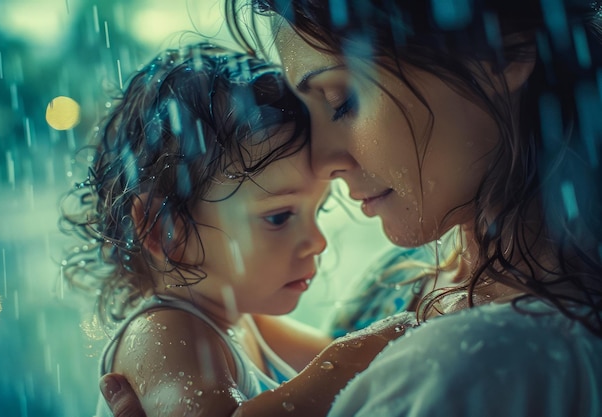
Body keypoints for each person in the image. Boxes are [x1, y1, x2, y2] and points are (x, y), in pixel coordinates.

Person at [100, 0, 602, 415]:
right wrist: (355, 352)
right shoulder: (396, 282)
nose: (320, 159)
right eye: (277, 216)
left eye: (341, 100)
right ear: (164, 231)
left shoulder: (483, 365)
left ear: (495, 46)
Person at [62, 42, 412, 417]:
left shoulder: (244, 322)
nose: (317, 241)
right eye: (279, 217)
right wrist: (346, 359)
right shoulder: (161, 333)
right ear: (165, 230)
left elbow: (360, 362)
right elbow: (342, 366)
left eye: (318, 210)